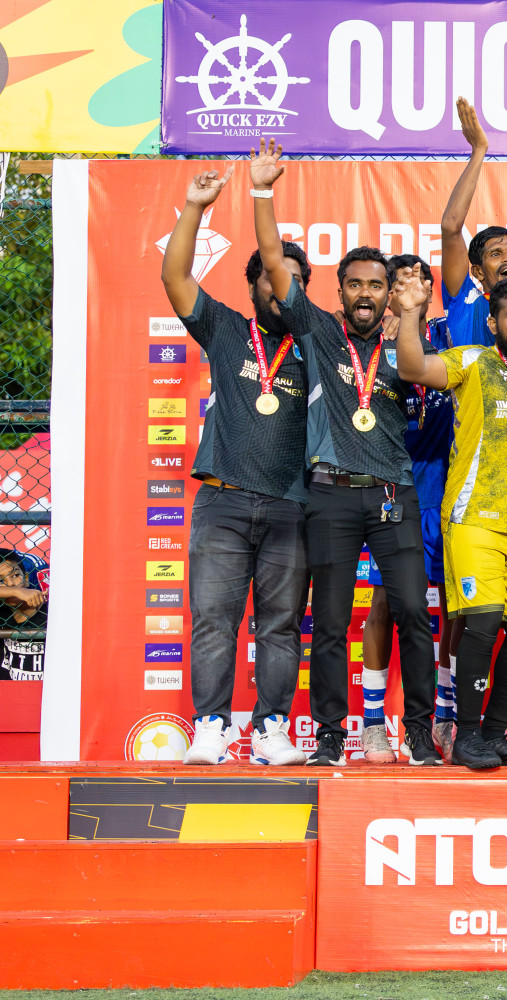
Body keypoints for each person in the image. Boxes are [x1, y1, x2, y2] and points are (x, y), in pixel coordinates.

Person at [250, 139, 441, 768]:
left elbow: (424, 375)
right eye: (355, 284)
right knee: (329, 620)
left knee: (413, 611)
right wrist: (262, 190)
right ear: (339, 291)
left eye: (376, 285)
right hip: (330, 494)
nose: (365, 293)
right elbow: (275, 262)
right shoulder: (318, 330)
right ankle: (331, 734)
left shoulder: (405, 342)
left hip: (393, 495)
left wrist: (411, 316)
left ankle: (418, 731)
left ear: (388, 293)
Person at [161, 164, 310, 767]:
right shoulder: (225, 329)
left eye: (292, 280)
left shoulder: (316, 345)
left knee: (280, 626)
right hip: (222, 502)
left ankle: (272, 730)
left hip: (291, 507)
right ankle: (211, 729)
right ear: (252, 286)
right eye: (271, 277)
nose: (281, 287)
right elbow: (175, 277)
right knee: (214, 622)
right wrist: (195, 208)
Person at [393, 263, 507, 770]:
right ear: (493, 323)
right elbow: (412, 369)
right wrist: (410, 314)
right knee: (483, 623)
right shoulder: (470, 361)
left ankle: (493, 736)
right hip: (474, 519)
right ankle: (465, 733)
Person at [356, 254, 460, 763]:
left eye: (420, 281)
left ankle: (445, 716)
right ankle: (374, 723)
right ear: (387, 293)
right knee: (385, 604)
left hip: (450, 488)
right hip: (394, 487)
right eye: (399, 282)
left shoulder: (449, 335)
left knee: (457, 608)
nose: (410, 289)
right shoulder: (367, 345)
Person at [440, 97, 507, 352]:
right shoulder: (465, 303)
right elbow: (451, 227)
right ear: (477, 272)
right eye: (495, 254)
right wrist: (479, 150)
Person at [0, 549, 47, 681]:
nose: (10, 584)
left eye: (15, 575)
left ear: (26, 579)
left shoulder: (52, 613)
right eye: (1, 580)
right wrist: (15, 591)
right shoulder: (3, 612)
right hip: (9, 690)